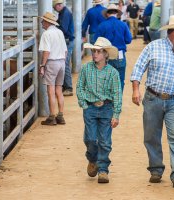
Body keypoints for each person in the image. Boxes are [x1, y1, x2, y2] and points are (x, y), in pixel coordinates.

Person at [130, 15, 174, 187]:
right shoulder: (154, 47)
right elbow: (138, 67)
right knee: (151, 136)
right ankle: (155, 169)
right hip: (153, 98)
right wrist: (135, 89)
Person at [76, 37, 122, 184]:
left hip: (106, 108)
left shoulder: (113, 73)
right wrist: (83, 103)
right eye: (94, 51)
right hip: (90, 107)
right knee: (90, 139)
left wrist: (116, 114)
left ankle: (103, 170)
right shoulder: (86, 68)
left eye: (99, 51)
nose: (95, 54)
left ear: (106, 54)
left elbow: (117, 94)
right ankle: (92, 159)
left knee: (105, 141)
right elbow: (80, 87)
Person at [38, 12, 68, 125]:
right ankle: (60, 116)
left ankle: (51, 117)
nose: (41, 23)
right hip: (61, 62)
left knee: (50, 91)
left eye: (42, 21)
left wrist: (42, 65)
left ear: (47, 22)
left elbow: (46, 51)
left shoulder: (46, 34)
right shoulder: (59, 32)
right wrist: (62, 62)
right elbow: (65, 51)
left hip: (52, 62)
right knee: (59, 90)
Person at [94, 4, 132, 91]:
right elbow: (128, 40)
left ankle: (107, 101)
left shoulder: (102, 25)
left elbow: (96, 42)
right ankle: (118, 101)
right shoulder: (123, 25)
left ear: (107, 14)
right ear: (117, 13)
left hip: (105, 55)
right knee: (120, 80)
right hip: (120, 55)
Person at [53, 0, 75, 96]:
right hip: (67, 41)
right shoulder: (63, 12)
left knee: (65, 64)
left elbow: (63, 29)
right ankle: (65, 86)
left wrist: (53, 30)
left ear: (58, 5)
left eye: (55, 6)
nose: (56, 8)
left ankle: (68, 87)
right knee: (64, 63)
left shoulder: (65, 13)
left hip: (67, 41)